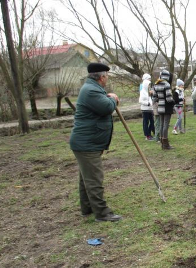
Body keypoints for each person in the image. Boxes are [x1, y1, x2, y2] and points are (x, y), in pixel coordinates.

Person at [69, 63, 122, 222]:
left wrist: (108, 97)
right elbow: (106, 107)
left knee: (87, 178)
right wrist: (113, 99)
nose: (107, 78)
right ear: (101, 77)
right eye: (106, 75)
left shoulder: (91, 88)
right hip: (87, 143)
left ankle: (87, 208)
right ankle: (102, 213)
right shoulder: (91, 90)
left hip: (87, 142)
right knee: (94, 179)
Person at [155, 70, 177, 150]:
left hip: (160, 106)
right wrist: (174, 102)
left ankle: (162, 142)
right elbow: (169, 98)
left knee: (161, 124)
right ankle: (165, 143)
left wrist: (159, 100)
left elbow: (154, 97)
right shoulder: (166, 84)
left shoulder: (156, 84)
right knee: (166, 125)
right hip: (167, 107)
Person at [139, 73, 155, 141]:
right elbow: (140, 100)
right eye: (148, 85)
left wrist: (151, 103)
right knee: (146, 122)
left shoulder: (148, 92)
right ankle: (147, 135)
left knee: (152, 122)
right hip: (145, 109)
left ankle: (151, 133)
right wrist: (147, 103)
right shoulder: (143, 92)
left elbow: (150, 99)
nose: (149, 86)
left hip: (150, 109)